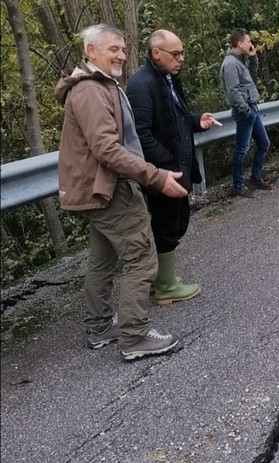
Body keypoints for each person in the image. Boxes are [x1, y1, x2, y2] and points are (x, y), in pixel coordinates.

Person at [55, 24, 184, 360]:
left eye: (124, 49)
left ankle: (99, 327)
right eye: (113, 49)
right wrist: (154, 176)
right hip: (109, 189)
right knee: (141, 257)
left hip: (98, 190)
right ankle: (135, 336)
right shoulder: (89, 91)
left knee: (103, 259)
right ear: (91, 51)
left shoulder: (99, 85)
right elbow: (107, 149)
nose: (121, 56)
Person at [126, 29, 219, 305]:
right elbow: (140, 135)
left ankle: (162, 279)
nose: (181, 59)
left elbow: (174, 119)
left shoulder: (168, 79)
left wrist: (196, 121)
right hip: (163, 173)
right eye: (175, 54)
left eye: (182, 53)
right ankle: (165, 286)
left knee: (178, 222)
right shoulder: (141, 85)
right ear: (157, 53)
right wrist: (165, 163)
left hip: (177, 168)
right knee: (166, 226)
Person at [220, 28, 272, 198]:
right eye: (248, 41)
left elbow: (251, 78)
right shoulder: (230, 64)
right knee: (241, 149)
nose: (250, 43)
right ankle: (238, 184)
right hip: (245, 111)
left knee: (264, 144)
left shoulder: (240, 61)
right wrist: (246, 111)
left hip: (252, 108)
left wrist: (253, 57)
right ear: (239, 43)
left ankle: (255, 178)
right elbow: (233, 92)